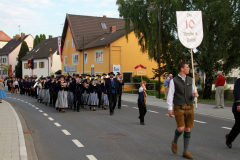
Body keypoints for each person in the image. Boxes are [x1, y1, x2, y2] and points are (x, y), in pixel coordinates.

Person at [167, 62, 198, 159]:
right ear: (182, 69)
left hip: (189, 106)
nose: (189, 68)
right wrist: (170, 108)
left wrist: (195, 95)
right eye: (187, 67)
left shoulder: (191, 80)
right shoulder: (174, 81)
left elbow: (194, 92)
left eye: (189, 67)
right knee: (181, 128)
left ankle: (185, 151)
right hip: (178, 106)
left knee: (188, 128)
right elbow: (170, 95)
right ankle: (175, 141)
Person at [225, 78, 240, 148]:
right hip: (238, 108)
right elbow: (236, 92)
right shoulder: (238, 81)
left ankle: (229, 137)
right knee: (239, 124)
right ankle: (229, 138)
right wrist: (238, 104)